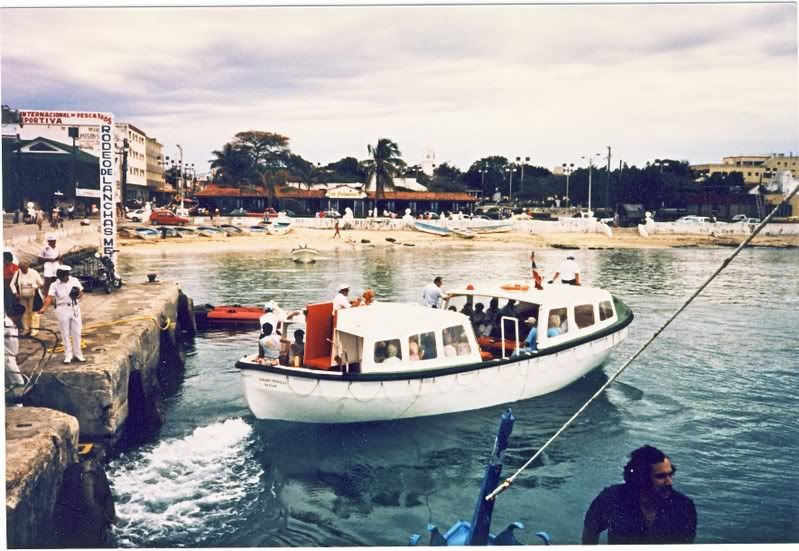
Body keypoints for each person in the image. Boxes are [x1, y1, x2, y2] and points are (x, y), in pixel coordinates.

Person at [582, 445, 697, 545]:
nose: (669, 482)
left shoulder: (684, 506)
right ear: (641, 478)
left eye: (670, 475)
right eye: (661, 476)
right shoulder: (612, 498)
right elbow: (590, 533)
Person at [39, 265, 87, 364]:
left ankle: (78, 354)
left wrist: (78, 295)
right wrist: (44, 308)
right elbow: (49, 297)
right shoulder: (54, 285)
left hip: (74, 307)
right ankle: (68, 355)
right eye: (60, 276)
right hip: (62, 309)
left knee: (76, 332)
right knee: (65, 334)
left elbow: (81, 292)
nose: (61, 278)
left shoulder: (74, 280)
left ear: (67, 275)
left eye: (63, 276)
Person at [10, 261, 44, 336]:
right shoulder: (18, 273)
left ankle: (34, 330)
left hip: (33, 295)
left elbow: (41, 283)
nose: (23, 270)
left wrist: (36, 288)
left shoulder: (34, 272)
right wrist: (15, 293)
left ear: (27, 267)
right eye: (21, 269)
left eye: (24, 268)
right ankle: (26, 329)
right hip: (23, 295)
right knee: (25, 312)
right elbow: (12, 284)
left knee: (33, 312)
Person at [5, 302, 27, 388]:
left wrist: (15, 354)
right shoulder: (6, 324)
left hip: (11, 357)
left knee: (14, 383)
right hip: (7, 358)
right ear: (20, 315)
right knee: (20, 383)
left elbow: (13, 342)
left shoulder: (12, 324)